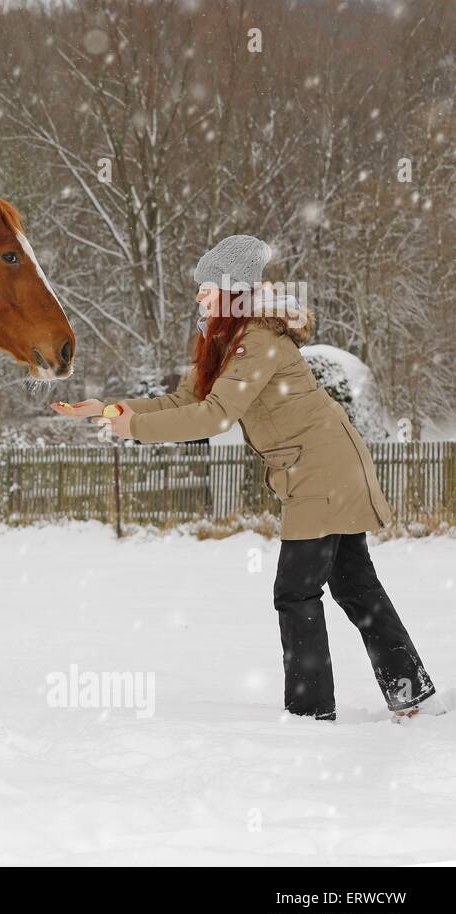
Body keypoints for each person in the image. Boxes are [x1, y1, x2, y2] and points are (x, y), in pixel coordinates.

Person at [53, 235, 443, 721]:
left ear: (231, 290)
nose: (198, 295)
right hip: (323, 465)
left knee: (296, 591)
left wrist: (134, 429)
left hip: (321, 468)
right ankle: (410, 695)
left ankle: (311, 711)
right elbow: (185, 403)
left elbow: (214, 416)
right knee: (356, 586)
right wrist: (114, 409)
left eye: (206, 287)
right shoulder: (225, 341)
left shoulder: (256, 340)